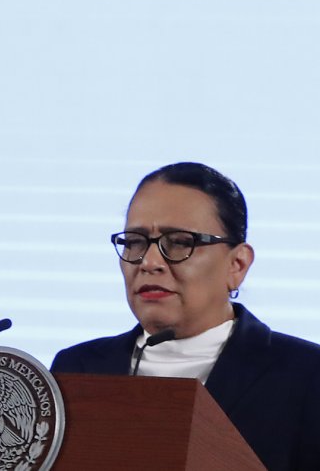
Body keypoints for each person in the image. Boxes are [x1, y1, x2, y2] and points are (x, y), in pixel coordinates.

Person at [51, 162, 320, 470]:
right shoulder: (78, 368)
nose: (149, 262)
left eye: (179, 242)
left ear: (237, 265)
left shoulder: (307, 376)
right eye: (135, 242)